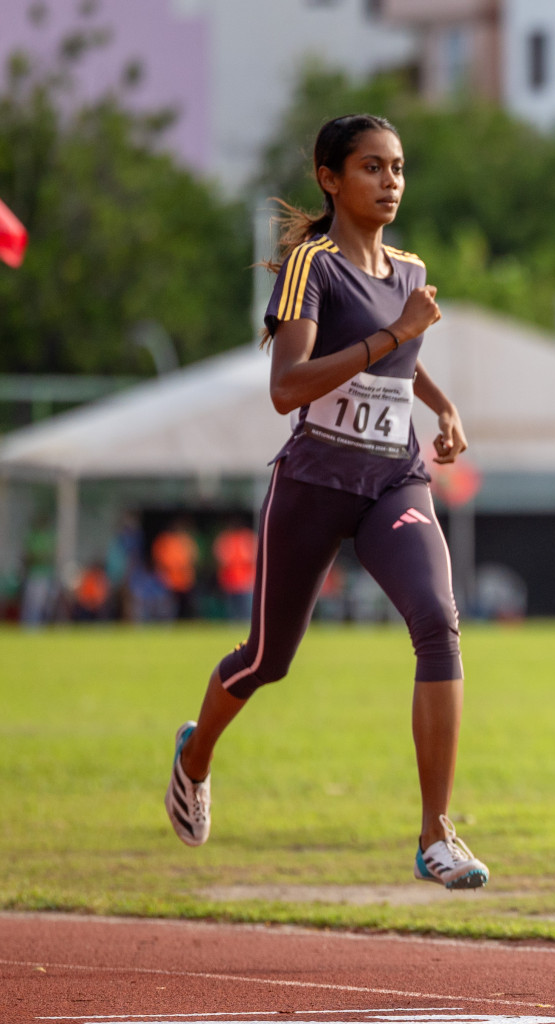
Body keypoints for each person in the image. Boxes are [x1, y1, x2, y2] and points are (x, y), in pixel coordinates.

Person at [164, 113, 486, 890]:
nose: (391, 182)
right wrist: (392, 338)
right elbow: (287, 388)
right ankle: (195, 753)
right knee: (267, 660)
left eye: (399, 168)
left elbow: (403, 350)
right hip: (313, 482)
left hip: (392, 480)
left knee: (438, 625)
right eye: (372, 167)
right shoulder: (310, 267)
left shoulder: (408, 269)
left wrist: (440, 405)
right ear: (330, 179)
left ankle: (436, 834)